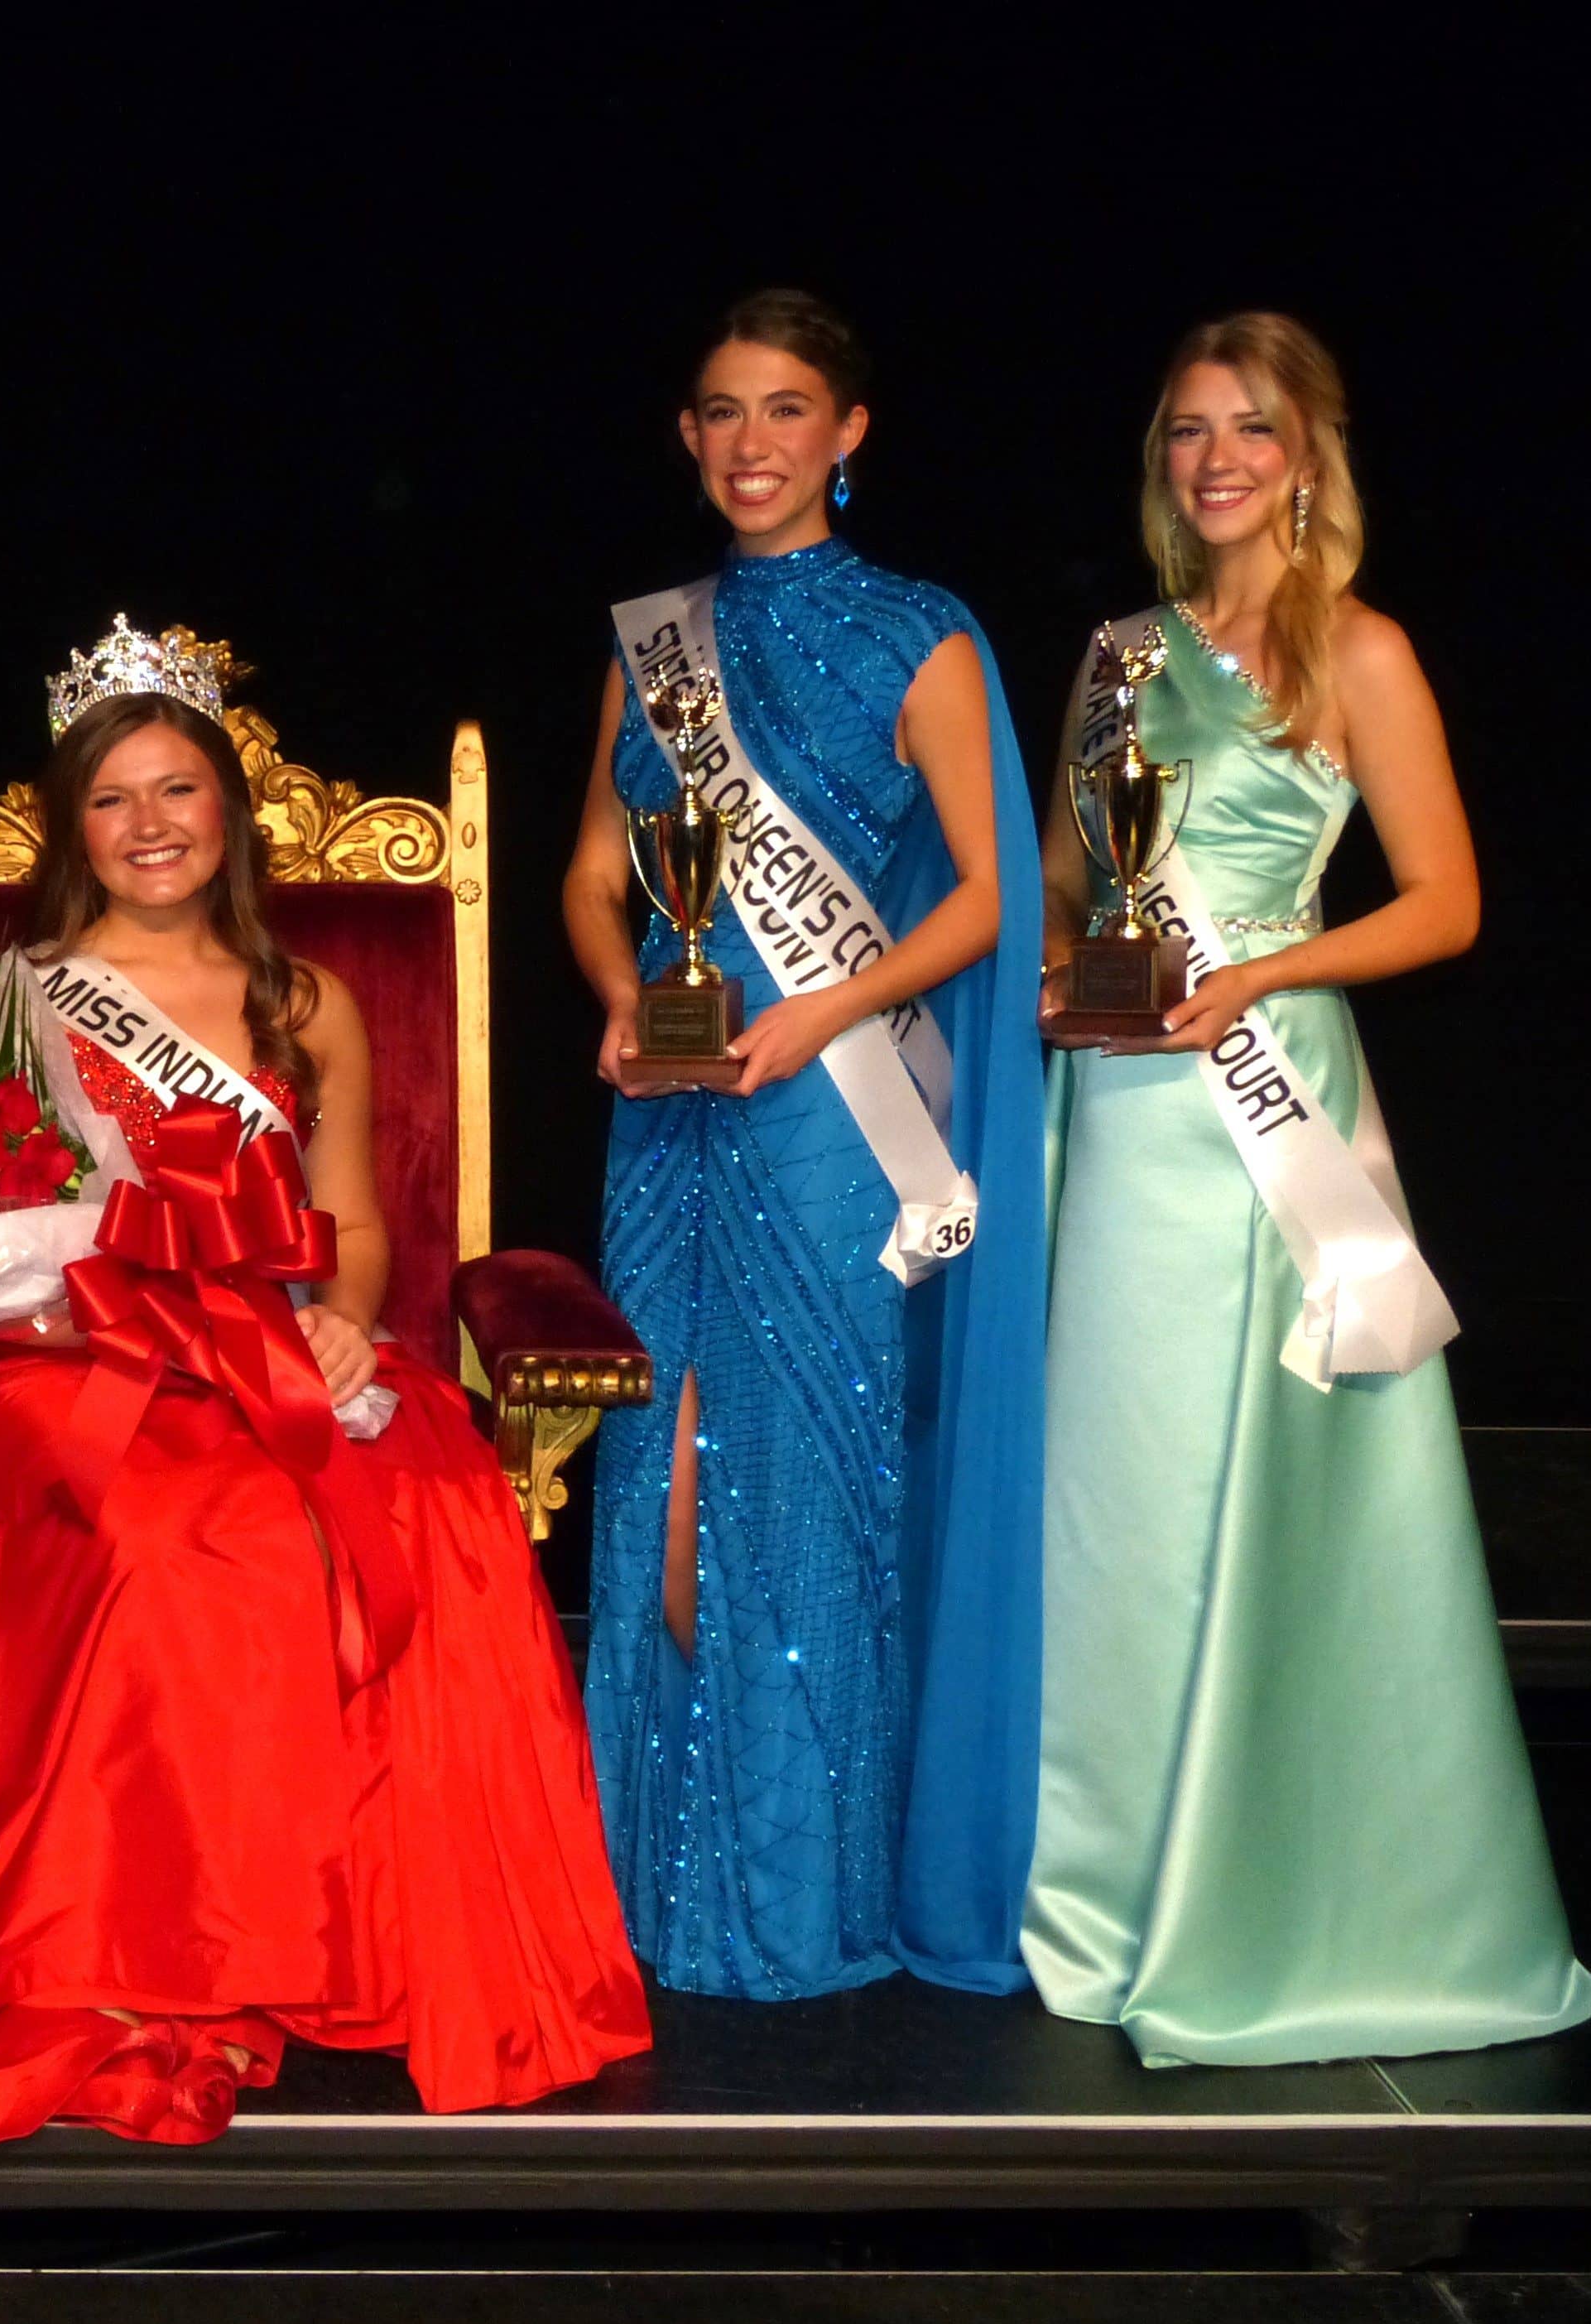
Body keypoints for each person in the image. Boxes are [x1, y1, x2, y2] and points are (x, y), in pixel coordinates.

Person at [0, 623, 652, 2150]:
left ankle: (355, 1949)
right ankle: (139, 1954)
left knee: (426, 1504)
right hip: (70, 1350)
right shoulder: (16, 996)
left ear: (227, 807)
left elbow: (355, 1224)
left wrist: (347, 1323)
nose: (150, 825)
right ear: (72, 827)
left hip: (263, 1340)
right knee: (176, 1532)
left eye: (176, 790)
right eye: (112, 799)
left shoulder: (304, 1003)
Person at [1024, 312, 1591, 2066]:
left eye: (1250, 429)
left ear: (1305, 459)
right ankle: (1095, 1882)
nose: (1215, 459)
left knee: (1255, 1481)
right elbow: (1067, 882)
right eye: (1187, 429)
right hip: (1118, 1109)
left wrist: (1264, 974)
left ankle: (1260, 1890)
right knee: (1112, 1493)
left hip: (1261, 1110)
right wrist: (1059, 973)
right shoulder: (1118, 655)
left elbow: (1445, 901)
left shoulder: (1359, 651)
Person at [561, 291, 1049, 2000]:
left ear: (849, 433)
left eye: (785, 409)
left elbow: (990, 896)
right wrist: (622, 998)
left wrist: (826, 1010)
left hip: (832, 1116)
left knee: (803, 1497)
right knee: (660, 1485)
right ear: (686, 438)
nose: (750, 441)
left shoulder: (922, 634)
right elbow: (591, 877)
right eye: (721, 410)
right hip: (669, 1117)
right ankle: (652, 1893)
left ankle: (797, 1896)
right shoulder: (652, 643)